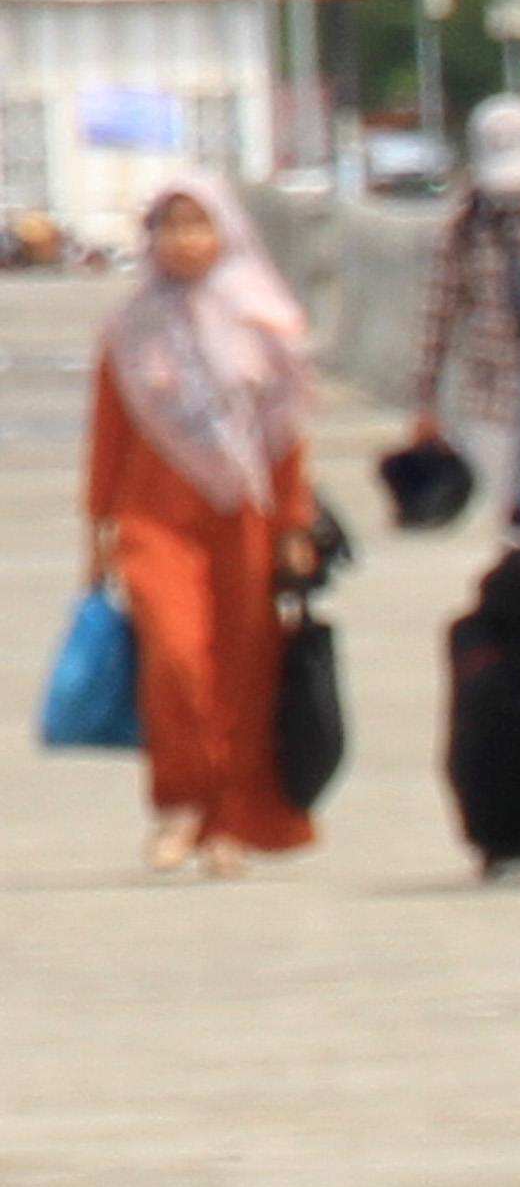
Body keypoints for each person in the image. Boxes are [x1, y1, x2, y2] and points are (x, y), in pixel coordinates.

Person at [82, 171, 320, 877]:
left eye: (198, 224)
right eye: (170, 226)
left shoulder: (266, 321)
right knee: (176, 657)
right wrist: (95, 531)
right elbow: (109, 434)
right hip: (152, 517)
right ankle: (180, 799)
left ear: (225, 233)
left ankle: (230, 817)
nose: (184, 241)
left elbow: (287, 437)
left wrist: (295, 523)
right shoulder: (130, 328)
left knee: (245, 663)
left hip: (244, 515)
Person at [407, 94, 520, 519]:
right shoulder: (463, 226)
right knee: (518, 522)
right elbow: (437, 317)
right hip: (495, 402)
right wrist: (424, 403)